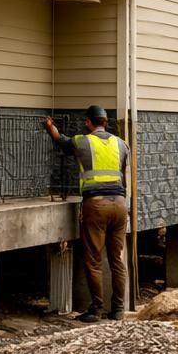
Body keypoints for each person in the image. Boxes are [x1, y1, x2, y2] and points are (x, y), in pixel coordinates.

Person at [43, 105, 129, 322]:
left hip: (97, 205)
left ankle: (97, 309)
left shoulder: (83, 141)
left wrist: (49, 126)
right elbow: (123, 174)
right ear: (105, 122)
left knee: (94, 259)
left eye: (86, 121)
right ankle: (118, 309)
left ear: (89, 122)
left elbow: (60, 140)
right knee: (117, 260)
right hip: (120, 204)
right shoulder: (121, 144)